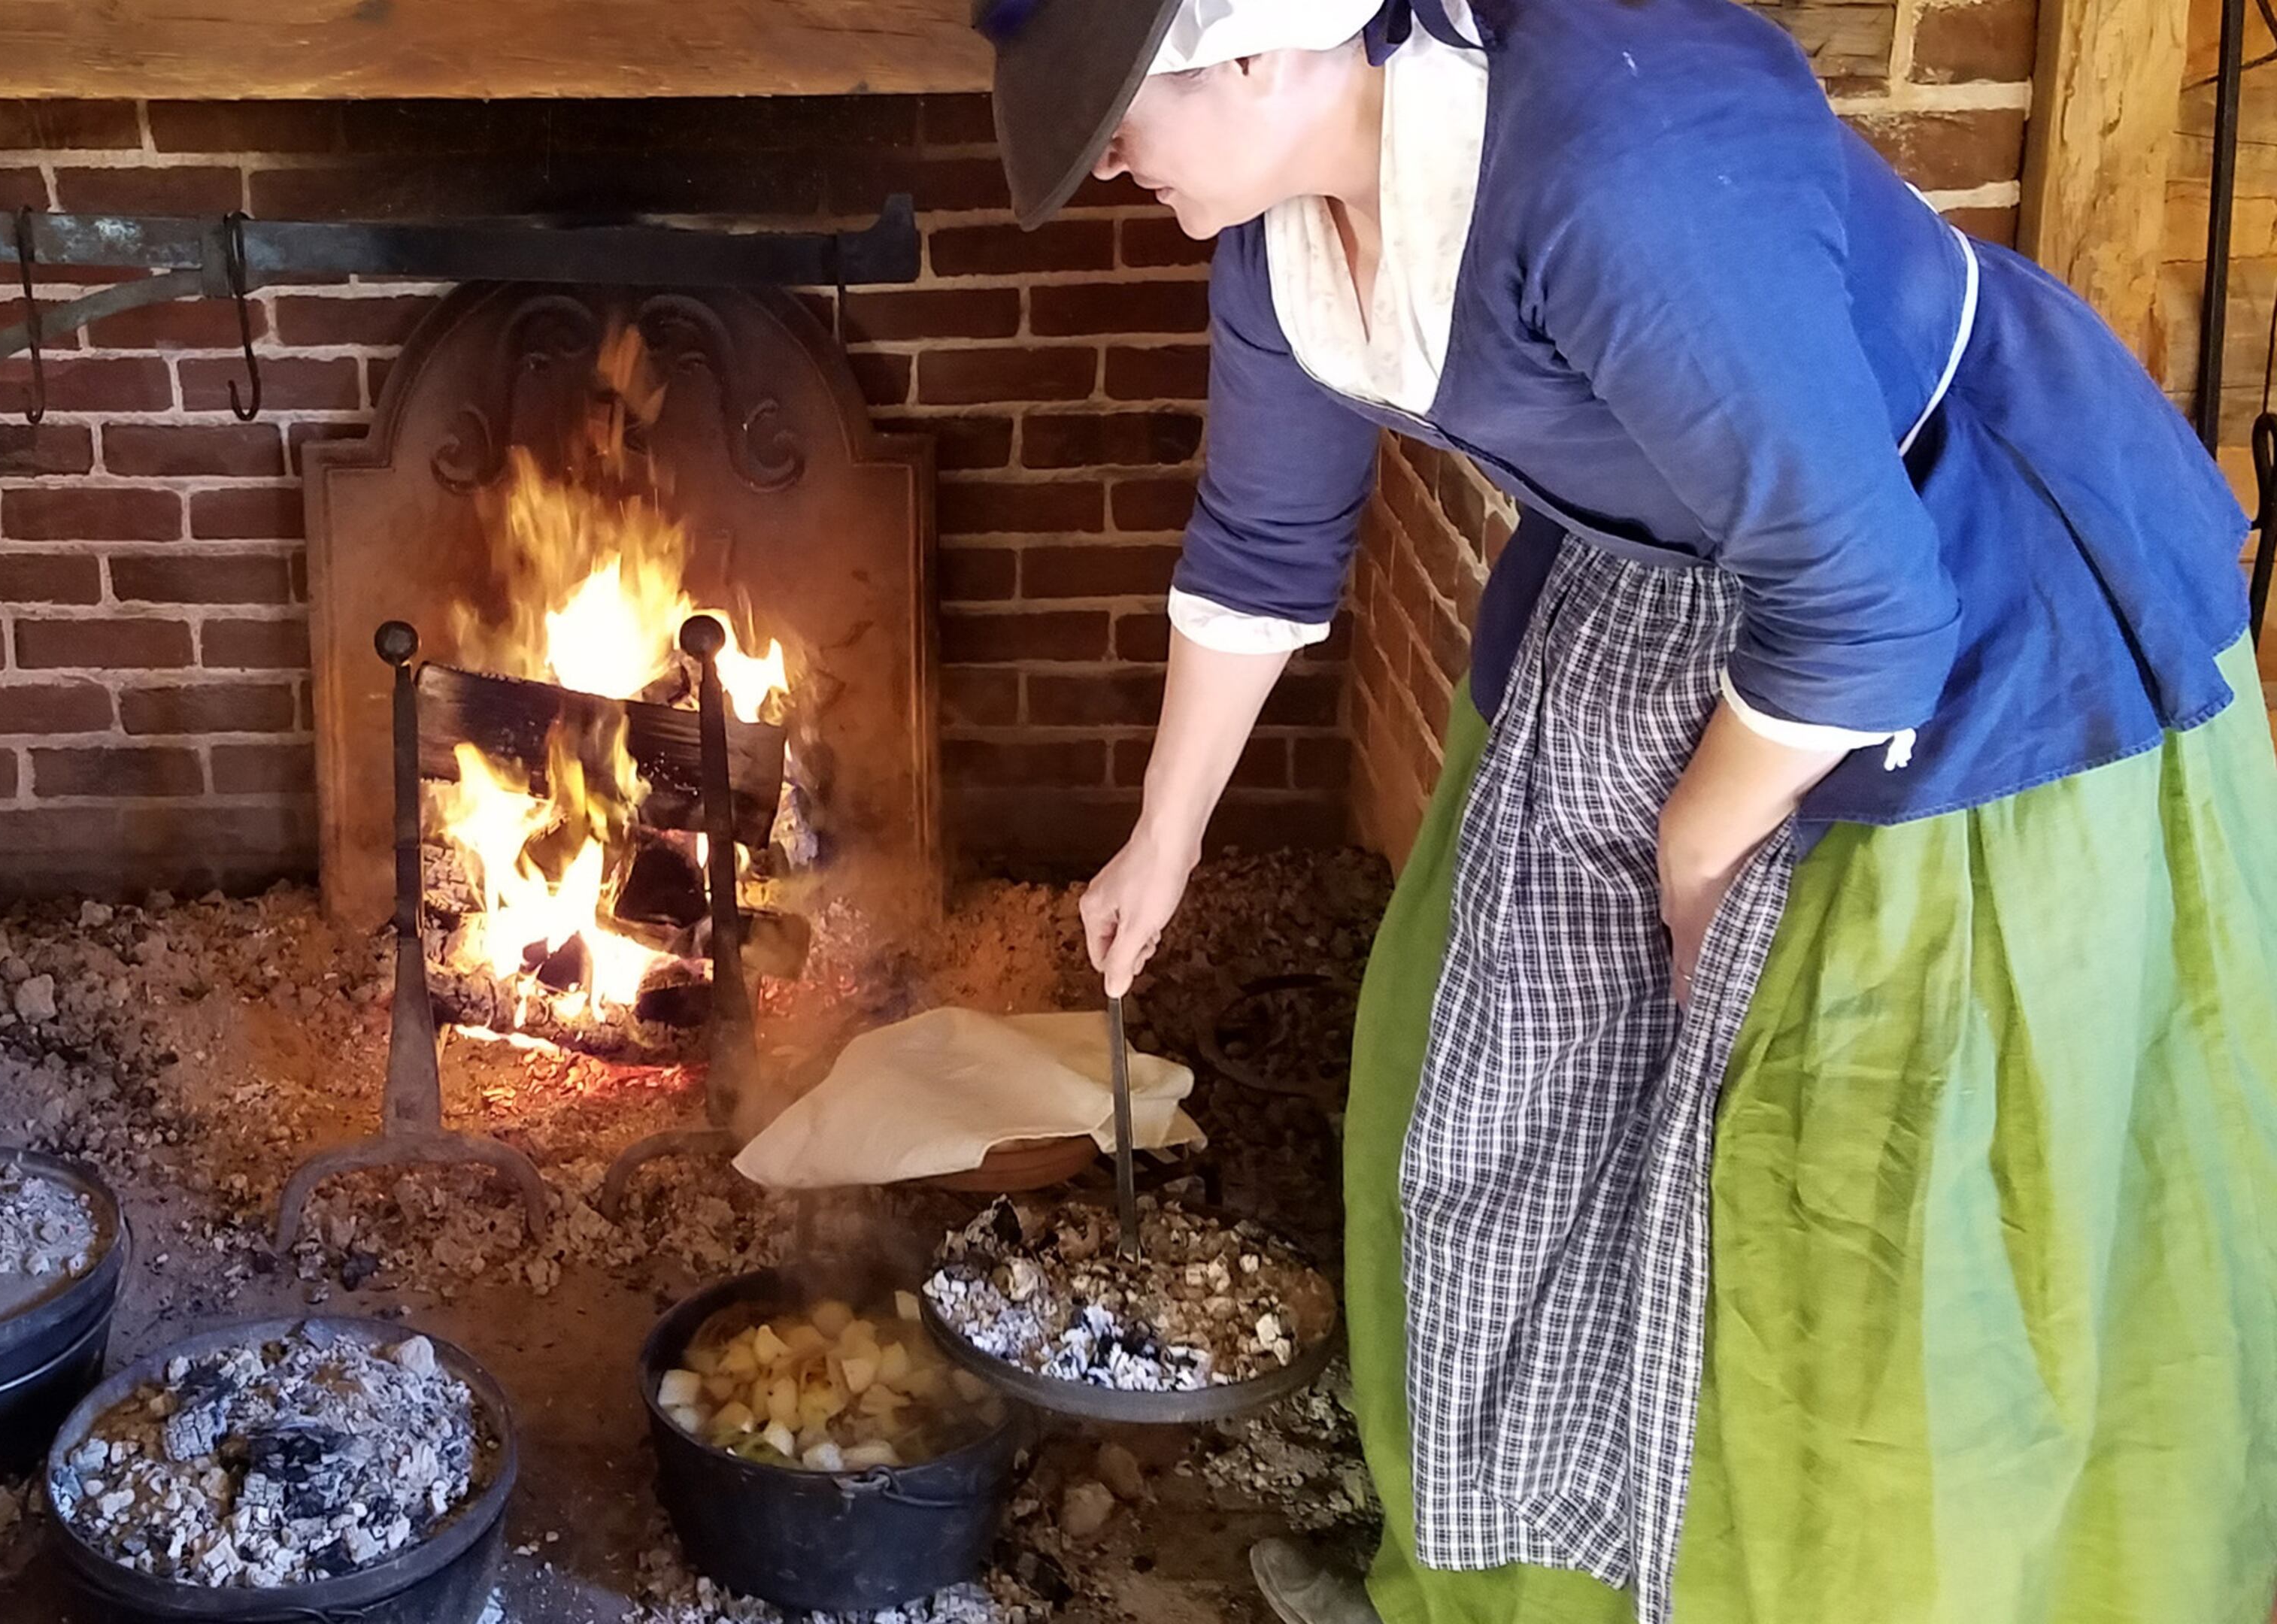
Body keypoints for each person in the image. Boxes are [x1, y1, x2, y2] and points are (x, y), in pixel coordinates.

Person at [970, 1, 2277, 1621]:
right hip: (1669, 584)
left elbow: (1868, 603)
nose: (1102, 154)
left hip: (1957, 593)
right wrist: (1164, 837)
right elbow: (1258, 545)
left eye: (1114, 103)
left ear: (1263, 47)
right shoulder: (1278, 247)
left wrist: (1696, 846)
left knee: (1819, 1179)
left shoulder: (1623, 171)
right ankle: (1550, 1583)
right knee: (1477, 1099)